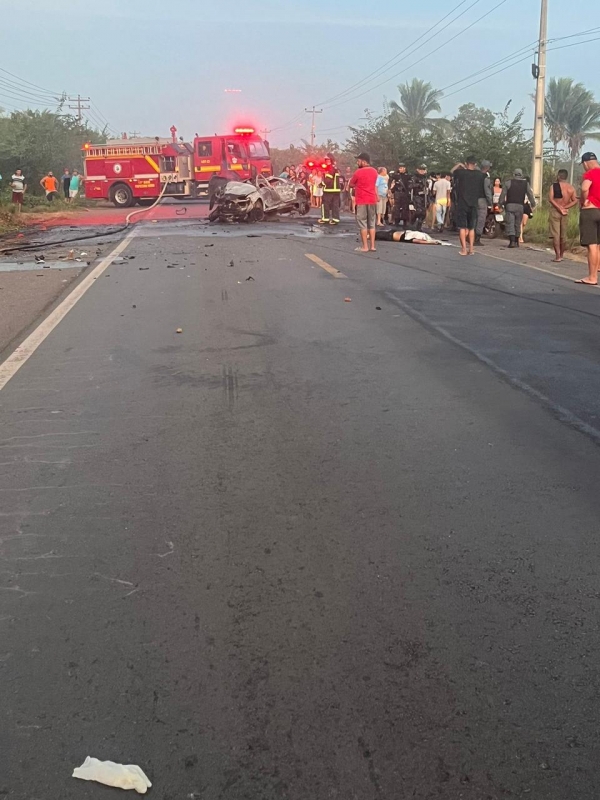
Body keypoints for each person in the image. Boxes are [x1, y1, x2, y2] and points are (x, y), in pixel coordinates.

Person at [451, 156, 491, 256]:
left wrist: (459, 165)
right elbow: (485, 175)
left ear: (466, 163)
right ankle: (471, 249)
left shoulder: (461, 173)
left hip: (462, 203)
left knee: (462, 227)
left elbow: (452, 171)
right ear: (475, 164)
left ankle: (464, 249)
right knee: (471, 228)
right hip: (474, 203)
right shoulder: (479, 175)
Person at [575, 152, 600, 285]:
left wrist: (585, 200)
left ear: (585, 163)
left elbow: (585, 188)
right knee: (598, 245)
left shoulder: (590, 173)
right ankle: (596, 271)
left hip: (590, 210)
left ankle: (592, 277)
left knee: (591, 245)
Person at [348, 152, 378, 253]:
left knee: (362, 223)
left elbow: (351, 184)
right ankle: (373, 246)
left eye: (359, 160)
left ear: (364, 162)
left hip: (361, 200)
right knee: (372, 223)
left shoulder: (358, 172)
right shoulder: (374, 171)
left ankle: (365, 246)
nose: (357, 162)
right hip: (372, 199)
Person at [498, 169, 536, 248]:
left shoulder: (508, 183)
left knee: (510, 223)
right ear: (521, 175)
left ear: (514, 174)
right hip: (520, 206)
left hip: (510, 205)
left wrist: (500, 204)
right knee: (517, 223)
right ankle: (516, 241)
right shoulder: (525, 184)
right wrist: (533, 204)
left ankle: (512, 242)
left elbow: (503, 195)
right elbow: (530, 194)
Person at [548, 169, 577, 262]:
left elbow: (551, 199)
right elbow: (575, 200)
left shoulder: (554, 186)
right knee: (563, 235)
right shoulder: (571, 188)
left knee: (556, 234)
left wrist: (559, 208)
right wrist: (565, 207)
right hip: (565, 212)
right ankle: (562, 255)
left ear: (558, 176)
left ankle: (557, 256)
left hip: (555, 211)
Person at [475, 159, 493, 246]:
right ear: (487, 167)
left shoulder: (475, 176)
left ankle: (470, 236)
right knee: (481, 219)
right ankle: (477, 238)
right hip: (482, 200)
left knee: (474, 218)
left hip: (473, 199)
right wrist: (490, 202)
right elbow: (487, 191)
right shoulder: (486, 177)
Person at [320, 154, 342, 225]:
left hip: (329, 190)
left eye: (327, 159)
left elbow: (328, 179)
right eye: (326, 160)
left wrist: (322, 184)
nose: (326, 161)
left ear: (331, 160)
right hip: (336, 190)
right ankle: (335, 219)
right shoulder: (335, 168)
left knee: (325, 204)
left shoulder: (330, 168)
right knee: (335, 205)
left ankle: (325, 218)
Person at [389, 163, 410, 229]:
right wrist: (392, 190)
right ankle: (396, 221)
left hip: (405, 193)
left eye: (402, 168)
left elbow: (409, 185)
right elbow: (393, 183)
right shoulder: (396, 176)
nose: (400, 169)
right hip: (398, 192)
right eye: (399, 168)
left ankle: (405, 221)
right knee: (397, 207)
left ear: (405, 168)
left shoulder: (408, 176)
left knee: (405, 207)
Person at [410, 164, 428, 230]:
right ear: (418, 170)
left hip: (424, 196)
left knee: (423, 213)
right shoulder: (414, 177)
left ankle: (419, 227)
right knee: (418, 211)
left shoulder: (425, 178)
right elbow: (410, 185)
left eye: (423, 170)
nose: (422, 171)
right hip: (416, 196)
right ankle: (412, 222)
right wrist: (418, 185)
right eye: (421, 170)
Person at [375, 229, 443, 245]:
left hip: (390, 235)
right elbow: (420, 241)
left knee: (377, 234)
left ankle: (367, 235)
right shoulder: (412, 236)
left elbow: (419, 241)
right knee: (377, 234)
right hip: (393, 233)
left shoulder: (411, 238)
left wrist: (432, 242)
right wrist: (432, 242)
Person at [520, 175, 533, 243]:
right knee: (520, 222)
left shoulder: (530, 189)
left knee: (524, 223)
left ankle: (520, 233)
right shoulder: (519, 188)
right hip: (520, 205)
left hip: (527, 206)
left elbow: (531, 198)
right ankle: (520, 237)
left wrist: (532, 206)